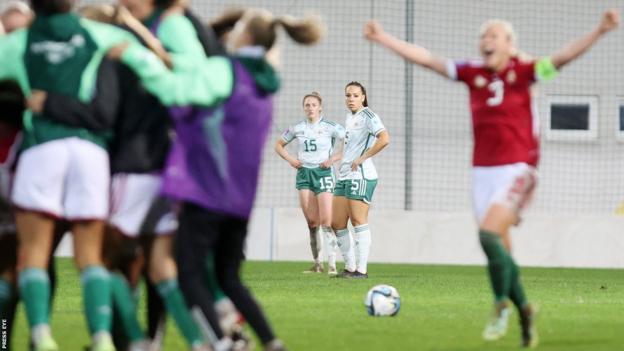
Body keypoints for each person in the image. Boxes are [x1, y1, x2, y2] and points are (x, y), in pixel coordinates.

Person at [364, 8, 619, 347]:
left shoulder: (526, 71)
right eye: (484, 36)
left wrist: (599, 31)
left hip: (519, 168)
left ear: (509, 44)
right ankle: (526, 310)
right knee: (501, 251)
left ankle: (500, 306)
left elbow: (562, 57)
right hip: (482, 171)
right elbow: (429, 60)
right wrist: (383, 38)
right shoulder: (472, 72)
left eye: (494, 35)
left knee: (487, 235)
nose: (486, 40)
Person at [148, 7, 323, 351]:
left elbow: (180, 95)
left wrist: (146, 62)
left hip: (207, 190)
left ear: (245, 36)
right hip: (241, 199)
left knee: (189, 274)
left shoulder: (225, 71)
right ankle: (272, 342)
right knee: (228, 277)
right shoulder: (266, 81)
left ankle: (219, 342)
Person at [275, 91, 344, 274]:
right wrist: (291, 159)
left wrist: (335, 158)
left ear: (320, 107)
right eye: (307, 105)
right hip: (304, 173)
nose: (310, 108)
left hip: (323, 173)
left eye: (313, 104)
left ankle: (332, 265)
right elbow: (278, 145)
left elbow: (351, 141)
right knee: (312, 222)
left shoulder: (330, 126)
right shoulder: (297, 128)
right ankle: (318, 264)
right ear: (303, 108)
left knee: (326, 221)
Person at [331, 81, 389, 279]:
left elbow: (384, 138)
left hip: (362, 174)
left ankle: (361, 270)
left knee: (358, 220)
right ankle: (349, 267)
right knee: (336, 222)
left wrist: (363, 157)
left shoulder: (368, 116)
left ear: (363, 97)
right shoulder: (350, 117)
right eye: (348, 95)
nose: (351, 99)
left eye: (355, 95)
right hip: (345, 174)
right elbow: (350, 146)